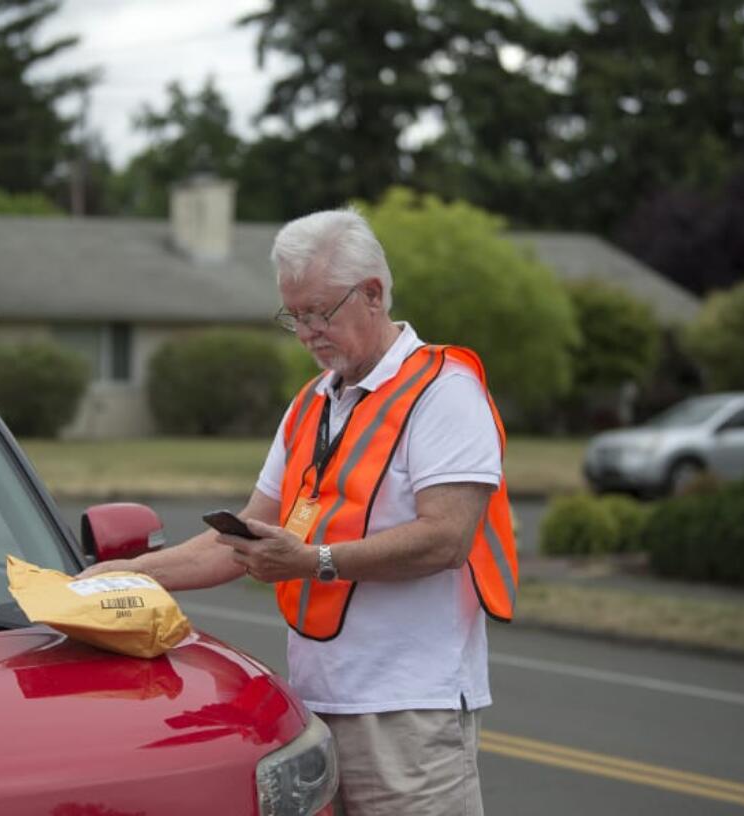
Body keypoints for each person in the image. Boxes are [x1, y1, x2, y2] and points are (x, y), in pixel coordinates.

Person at [80, 208, 517, 815]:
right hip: (313, 705)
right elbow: (237, 539)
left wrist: (314, 561)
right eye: (294, 316)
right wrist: (126, 577)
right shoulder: (312, 403)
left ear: (372, 294)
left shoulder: (444, 392)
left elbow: (446, 539)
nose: (308, 331)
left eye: (319, 312)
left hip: (409, 712)